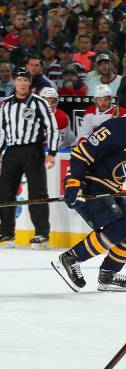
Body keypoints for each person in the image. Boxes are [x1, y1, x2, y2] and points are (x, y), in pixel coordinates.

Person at [51, 86, 126, 292]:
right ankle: (70, 258)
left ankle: (107, 275)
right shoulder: (114, 128)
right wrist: (73, 183)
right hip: (88, 183)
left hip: (112, 188)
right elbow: (81, 155)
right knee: (118, 229)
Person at [0, 68, 59, 249]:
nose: (22, 83)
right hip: (11, 151)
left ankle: (41, 234)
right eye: (19, 80)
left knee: (37, 193)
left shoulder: (39, 102)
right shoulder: (6, 104)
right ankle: (6, 233)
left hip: (33, 150)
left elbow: (52, 128)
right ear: (14, 82)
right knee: (5, 192)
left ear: (29, 82)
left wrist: (52, 152)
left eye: (26, 80)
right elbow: (2, 130)